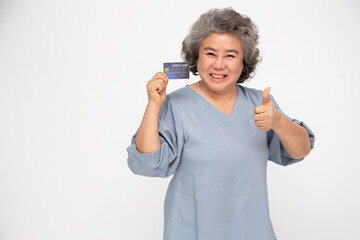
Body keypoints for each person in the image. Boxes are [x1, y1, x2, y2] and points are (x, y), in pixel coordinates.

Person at [127, 7, 315, 240]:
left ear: (244, 61)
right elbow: (147, 165)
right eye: (210, 53)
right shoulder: (177, 105)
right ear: (196, 56)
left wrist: (278, 121)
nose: (218, 65)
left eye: (230, 55)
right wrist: (154, 105)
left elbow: (300, 150)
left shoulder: (260, 103)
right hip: (191, 232)